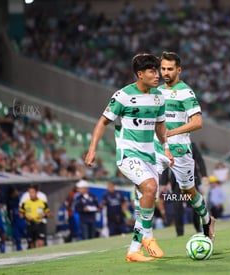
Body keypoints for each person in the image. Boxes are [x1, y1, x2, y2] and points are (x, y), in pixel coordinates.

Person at [84, 53, 174, 262]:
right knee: (150, 188)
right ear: (140, 74)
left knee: (148, 197)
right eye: (152, 71)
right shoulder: (122, 96)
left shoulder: (159, 96)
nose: (157, 75)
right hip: (128, 154)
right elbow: (102, 122)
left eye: (158, 70)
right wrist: (92, 149)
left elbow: (160, 125)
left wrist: (166, 147)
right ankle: (140, 243)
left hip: (149, 155)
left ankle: (142, 242)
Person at [157, 51, 215, 239]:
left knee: (188, 192)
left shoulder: (185, 92)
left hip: (180, 149)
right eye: (163, 68)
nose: (165, 72)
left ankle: (207, 220)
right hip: (159, 148)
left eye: (170, 69)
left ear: (178, 70)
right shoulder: (156, 91)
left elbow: (197, 122)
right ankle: (142, 240)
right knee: (145, 187)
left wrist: (171, 132)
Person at [19, 184, 52, 249]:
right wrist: (26, 217)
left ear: (36, 192)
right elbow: (21, 214)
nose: (31, 194)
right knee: (32, 245)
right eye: (29, 192)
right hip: (30, 225)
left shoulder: (42, 202)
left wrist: (43, 215)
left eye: (32, 192)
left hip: (40, 224)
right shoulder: (25, 203)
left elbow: (49, 214)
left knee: (41, 243)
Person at [7, 186, 26, 251]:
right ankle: (19, 248)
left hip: (22, 221)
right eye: (15, 192)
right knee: (17, 237)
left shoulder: (21, 198)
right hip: (15, 222)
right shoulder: (10, 201)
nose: (17, 193)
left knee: (26, 234)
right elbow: (9, 213)